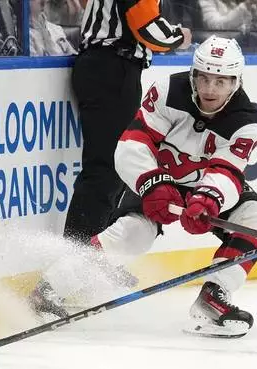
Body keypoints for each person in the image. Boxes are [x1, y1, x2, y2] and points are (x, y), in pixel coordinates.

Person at [30, 36, 257, 339]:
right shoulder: (168, 91)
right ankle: (50, 288)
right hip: (157, 179)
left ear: (236, 82)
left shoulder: (246, 120)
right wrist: (153, 183)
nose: (210, 89)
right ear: (193, 75)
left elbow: (227, 171)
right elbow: (133, 143)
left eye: (221, 81)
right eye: (204, 78)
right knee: (133, 236)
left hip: (205, 186)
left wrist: (208, 200)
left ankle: (214, 295)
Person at [63, 0, 192, 246]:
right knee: (106, 169)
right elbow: (147, 27)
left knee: (113, 169)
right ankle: (74, 262)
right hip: (112, 69)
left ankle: (93, 257)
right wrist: (179, 36)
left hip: (107, 67)